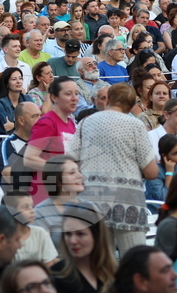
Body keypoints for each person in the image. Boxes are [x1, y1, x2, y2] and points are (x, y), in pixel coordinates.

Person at [68, 83, 158, 252]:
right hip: (128, 201)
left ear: (108, 98)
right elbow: (151, 172)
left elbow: (70, 159)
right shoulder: (135, 125)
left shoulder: (85, 123)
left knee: (100, 264)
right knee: (133, 259)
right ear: (131, 106)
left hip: (92, 201)